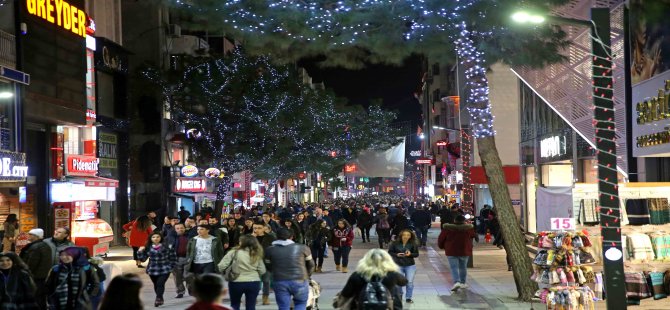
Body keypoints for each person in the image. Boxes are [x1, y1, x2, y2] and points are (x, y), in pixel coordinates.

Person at [337, 249, 408, 310]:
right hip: (387, 306)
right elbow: (404, 282)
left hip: (363, 307)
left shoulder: (357, 275)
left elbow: (346, 293)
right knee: (395, 289)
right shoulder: (392, 275)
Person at [264, 228, 314, 310]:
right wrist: (307, 275)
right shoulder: (303, 248)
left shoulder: (269, 250)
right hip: (300, 280)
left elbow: (268, 266)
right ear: (291, 237)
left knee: (283, 306)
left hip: (279, 281)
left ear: (277, 237)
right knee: (300, 303)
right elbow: (311, 265)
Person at [217, 235, 266, 310]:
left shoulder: (233, 252)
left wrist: (227, 271)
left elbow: (221, 266)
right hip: (253, 282)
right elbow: (262, 270)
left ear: (242, 243)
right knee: (251, 306)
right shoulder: (256, 253)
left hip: (236, 282)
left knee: (235, 305)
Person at [437, 215, 478, 291]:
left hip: (451, 250)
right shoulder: (468, 228)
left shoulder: (447, 228)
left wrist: (441, 246)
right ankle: (463, 283)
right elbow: (473, 235)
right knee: (463, 267)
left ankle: (456, 282)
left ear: (454, 220)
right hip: (464, 250)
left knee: (454, 267)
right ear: (464, 221)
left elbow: (441, 239)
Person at [137, 232, 177, 307]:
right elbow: (142, 259)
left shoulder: (167, 246)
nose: (156, 238)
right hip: (152, 269)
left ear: (161, 238)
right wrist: (139, 251)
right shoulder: (148, 247)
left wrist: (171, 267)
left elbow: (173, 258)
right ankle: (160, 297)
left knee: (160, 283)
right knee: (156, 284)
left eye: (158, 237)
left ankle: (158, 298)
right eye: (153, 237)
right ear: (151, 239)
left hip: (165, 269)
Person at [19, 228, 52, 309]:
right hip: (41, 276)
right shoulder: (43, 245)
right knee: (40, 297)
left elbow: (31, 263)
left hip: (35, 276)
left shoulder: (35, 247)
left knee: (36, 297)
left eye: (31, 234)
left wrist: (25, 274)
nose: (28, 236)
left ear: (37, 236)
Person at [388, 229, 419, 304]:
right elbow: (390, 252)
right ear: (401, 235)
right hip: (398, 265)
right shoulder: (395, 243)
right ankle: (399, 295)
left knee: (409, 282)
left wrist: (410, 254)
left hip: (410, 265)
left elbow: (416, 254)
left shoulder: (413, 244)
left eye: (408, 235)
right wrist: (396, 255)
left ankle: (408, 297)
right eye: (404, 235)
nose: (406, 236)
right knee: (399, 282)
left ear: (410, 236)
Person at [253, 222, 276, 305]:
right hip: (254, 263)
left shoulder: (271, 237)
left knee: (266, 281)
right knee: (254, 282)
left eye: (259, 228)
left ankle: (265, 297)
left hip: (266, 262)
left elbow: (274, 250)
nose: (256, 230)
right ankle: (253, 298)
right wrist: (252, 239)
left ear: (264, 228)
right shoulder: (250, 238)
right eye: (255, 228)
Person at [171, 223, 190, 298]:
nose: (180, 229)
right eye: (178, 228)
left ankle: (191, 289)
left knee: (189, 275)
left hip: (188, 258)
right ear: (175, 230)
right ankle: (180, 292)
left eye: (181, 228)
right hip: (176, 259)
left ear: (184, 228)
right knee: (177, 277)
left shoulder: (189, 236)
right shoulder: (171, 237)